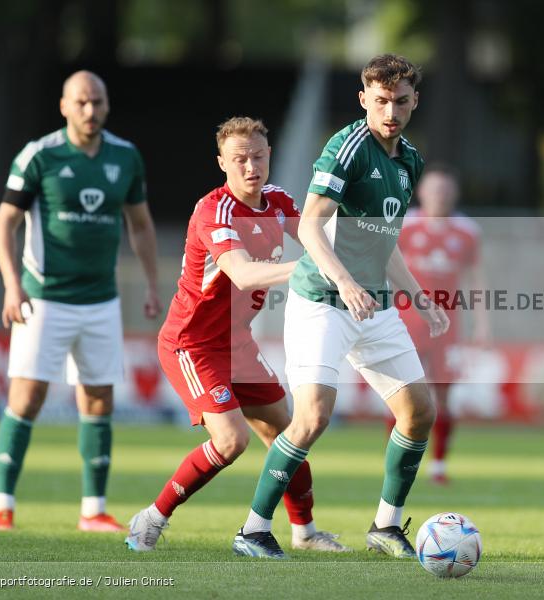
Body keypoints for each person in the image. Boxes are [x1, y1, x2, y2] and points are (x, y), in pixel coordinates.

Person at [234, 54, 449, 559]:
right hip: (322, 302)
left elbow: (383, 240)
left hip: (371, 306)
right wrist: (347, 283)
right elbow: (309, 225)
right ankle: (253, 530)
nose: (390, 111)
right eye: (379, 101)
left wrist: (420, 297)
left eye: (399, 101)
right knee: (312, 416)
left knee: (418, 412)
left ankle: (385, 526)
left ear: (414, 100)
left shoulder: (409, 160)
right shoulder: (347, 147)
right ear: (363, 100)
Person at [125, 116, 348, 553]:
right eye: (239, 158)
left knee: (290, 431)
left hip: (238, 343)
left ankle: (304, 532)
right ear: (222, 163)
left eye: (258, 156)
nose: (250, 166)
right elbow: (244, 274)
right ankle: (150, 518)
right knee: (231, 441)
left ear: (270, 157)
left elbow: (320, 237)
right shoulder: (215, 210)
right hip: (193, 344)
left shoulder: (281, 202)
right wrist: (316, 268)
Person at [0, 71, 160, 532]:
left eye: (97, 102)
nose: (90, 110)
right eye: (81, 102)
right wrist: (11, 283)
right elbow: (4, 223)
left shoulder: (125, 156)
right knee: (27, 397)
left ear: (106, 105)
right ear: (64, 106)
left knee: (100, 398)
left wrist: (150, 283)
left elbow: (140, 225)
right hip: (43, 297)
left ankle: (93, 510)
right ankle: (1, 505)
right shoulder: (39, 155)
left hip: (100, 300)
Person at [391, 164, 488, 484]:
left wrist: (482, 323)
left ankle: (438, 465)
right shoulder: (404, 226)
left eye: (445, 191)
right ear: (421, 193)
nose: (440, 196)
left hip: (447, 327)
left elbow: (476, 278)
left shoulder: (467, 231)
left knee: (444, 395)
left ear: (454, 195)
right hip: (407, 323)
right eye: (434, 190)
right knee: (403, 394)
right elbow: (386, 269)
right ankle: (396, 463)